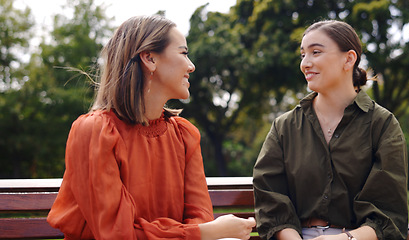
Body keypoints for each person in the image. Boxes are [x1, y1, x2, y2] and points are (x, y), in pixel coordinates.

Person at [47, 15, 255, 240]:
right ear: (149, 58)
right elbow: (118, 235)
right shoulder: (95, 132)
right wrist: (208, 231)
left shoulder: (185, 135)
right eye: (184, 53)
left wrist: (204, 231)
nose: (191, 66)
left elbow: (200, 220)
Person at [253, 20, 408, 240]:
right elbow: (270, 200)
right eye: (302, 55)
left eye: (316, 52)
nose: (305, 63)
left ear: (349, 59)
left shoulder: (382, 125)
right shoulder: (284, 127)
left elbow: (387, 213)